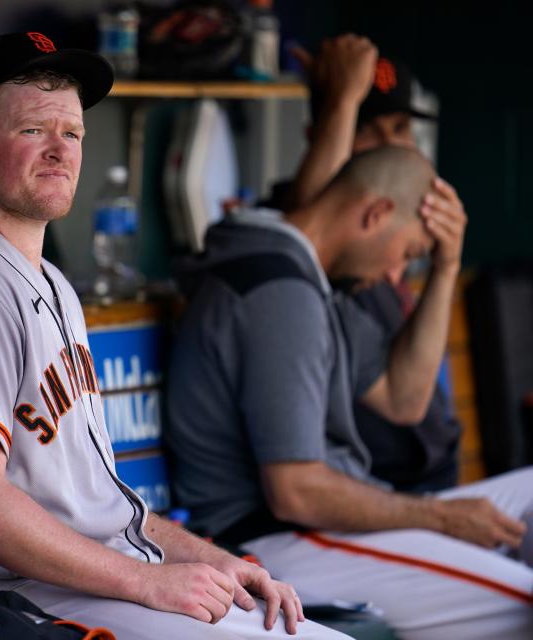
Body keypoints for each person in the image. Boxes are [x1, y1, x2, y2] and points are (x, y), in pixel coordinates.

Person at [0, 31, 348, 640]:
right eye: (32, 130)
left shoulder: (45, 279)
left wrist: (216, 562)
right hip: (9, 602)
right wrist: (147, 581)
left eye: (70, 133)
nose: (59, 151)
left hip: (90, 585)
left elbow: (108, 511)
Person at [166, 145, 533, 639]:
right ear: (376, 213)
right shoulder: (279, 291)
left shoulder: (314, 281)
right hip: (274, 539)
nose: (396, 276)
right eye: (408, 255)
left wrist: (446, 267)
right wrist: (440, 517)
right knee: (523, 604)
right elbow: (295, 491)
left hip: (329, 526)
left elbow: (405, 401)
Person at [265, 34, 462, 492]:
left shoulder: (394, 227)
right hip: (375, 489)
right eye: (369, 128)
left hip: (436, 473)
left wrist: (445, 265)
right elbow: (314, 227)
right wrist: (342, 100)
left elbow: (411, 401)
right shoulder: (289, 233)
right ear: (323, 135)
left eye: (400, 128)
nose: (393, 145)